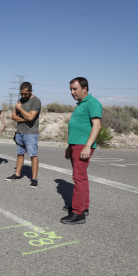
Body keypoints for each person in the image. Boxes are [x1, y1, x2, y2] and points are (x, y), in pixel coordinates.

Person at [60, 77, 102, 224]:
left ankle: (78, 213)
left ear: (85, 88)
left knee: (78, 177)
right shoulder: (80, 104)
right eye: (71, 89)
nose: (72, 92)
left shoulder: (92, 102)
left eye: (75, 89)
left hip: (82, 146)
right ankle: (83, 206)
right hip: (75, 145)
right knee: (81, 176)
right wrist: (69, 146)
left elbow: (96, 126)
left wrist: (87, 146)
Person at [6, 82, 42, 189]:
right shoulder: (20, 100)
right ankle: (17, 174)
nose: (23, 96)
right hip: (19, 132)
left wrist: (20, 109)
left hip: (31, 133)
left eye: (25, 94)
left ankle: (34, 178)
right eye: (21, 94)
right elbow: (13, 116)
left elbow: (31, 118)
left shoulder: (36, 101)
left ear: (31, 91)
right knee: (20, 154)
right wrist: (24, 118)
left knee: (33, 155)